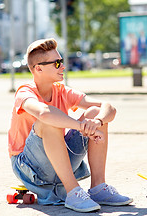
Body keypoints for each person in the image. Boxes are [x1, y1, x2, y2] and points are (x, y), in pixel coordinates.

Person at [8, 38, 132, 213]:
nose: (63, 66)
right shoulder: (25, 92)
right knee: (49, 119)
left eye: (62, 61)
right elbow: (44, 113)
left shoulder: (62, 90)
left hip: (58, 162)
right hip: (29, 167)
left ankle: (98, 188)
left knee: (95, 113)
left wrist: (96, 122)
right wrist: (81, 126)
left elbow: (108, 107)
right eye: (57, 63)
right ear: (39, 68)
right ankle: (73, 192)